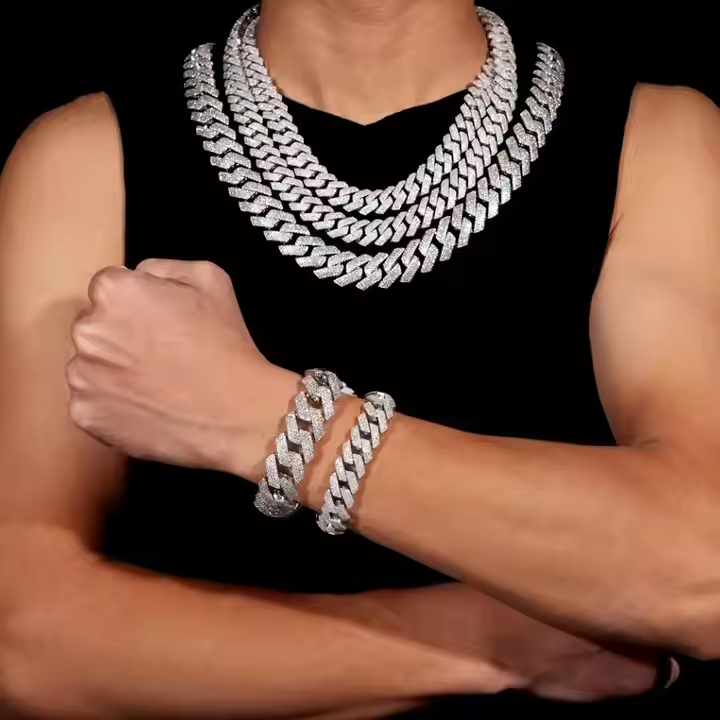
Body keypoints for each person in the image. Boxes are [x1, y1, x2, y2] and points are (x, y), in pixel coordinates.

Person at [0, 0, 718, 717]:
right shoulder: (87, 160)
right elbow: (27, 640)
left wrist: (263, 421)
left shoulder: (652, 139)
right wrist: (491, 642)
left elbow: (702, 572)